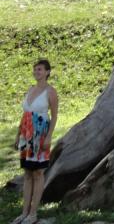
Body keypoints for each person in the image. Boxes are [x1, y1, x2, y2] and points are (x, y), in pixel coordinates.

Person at [11, 59, 59, 224]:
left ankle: (33, 214)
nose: (36, 72)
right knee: (27, 173)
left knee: (38, 173)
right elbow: (25, 114)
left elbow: (54, 116)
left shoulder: (50, 91)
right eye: (35, 70)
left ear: (47, 72)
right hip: (26, 135)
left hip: (40, 135)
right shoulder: (30, 89)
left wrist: (49, 136)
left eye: (39, 69)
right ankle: (24, 213)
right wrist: (18, 135)